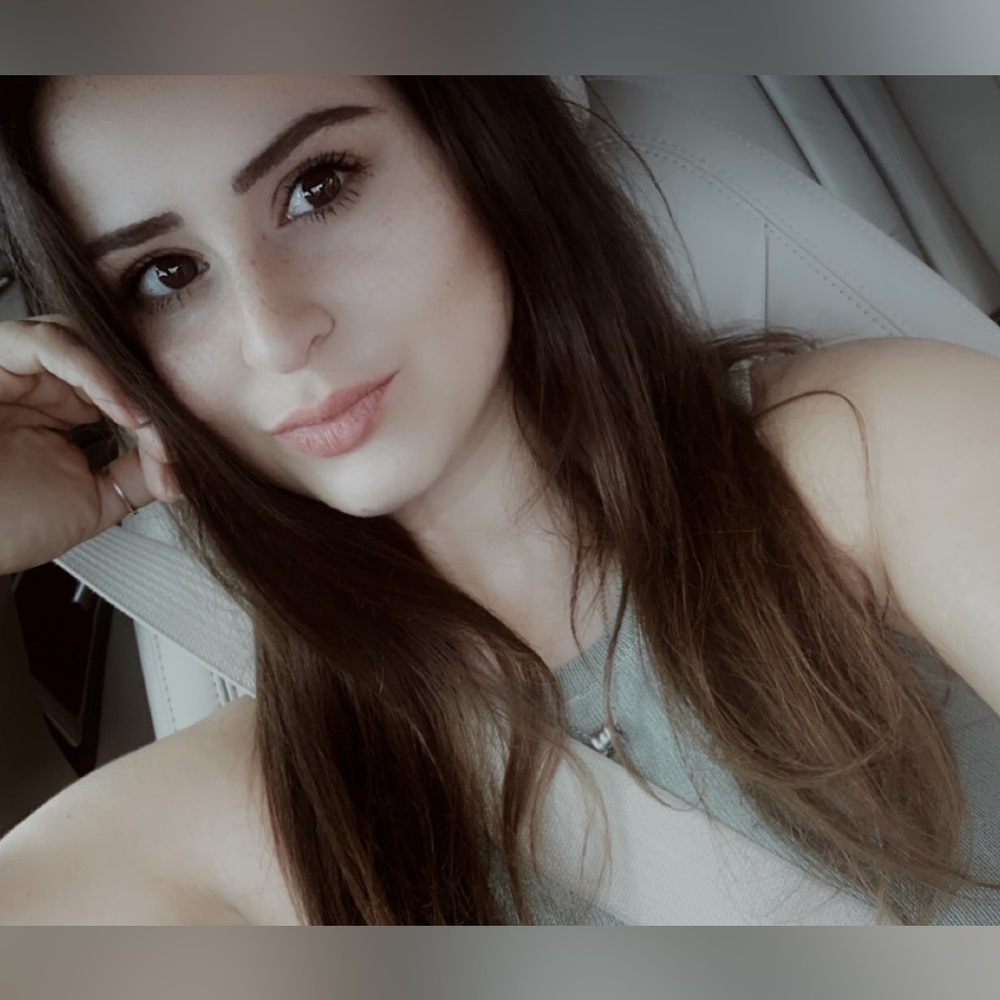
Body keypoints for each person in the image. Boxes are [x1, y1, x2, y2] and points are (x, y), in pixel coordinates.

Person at [1, 75, 1000, 925]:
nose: (274, 335)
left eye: (318, 187)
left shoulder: (878, 458)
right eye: (167, 274)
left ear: (475, 147)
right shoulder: (238, 815)